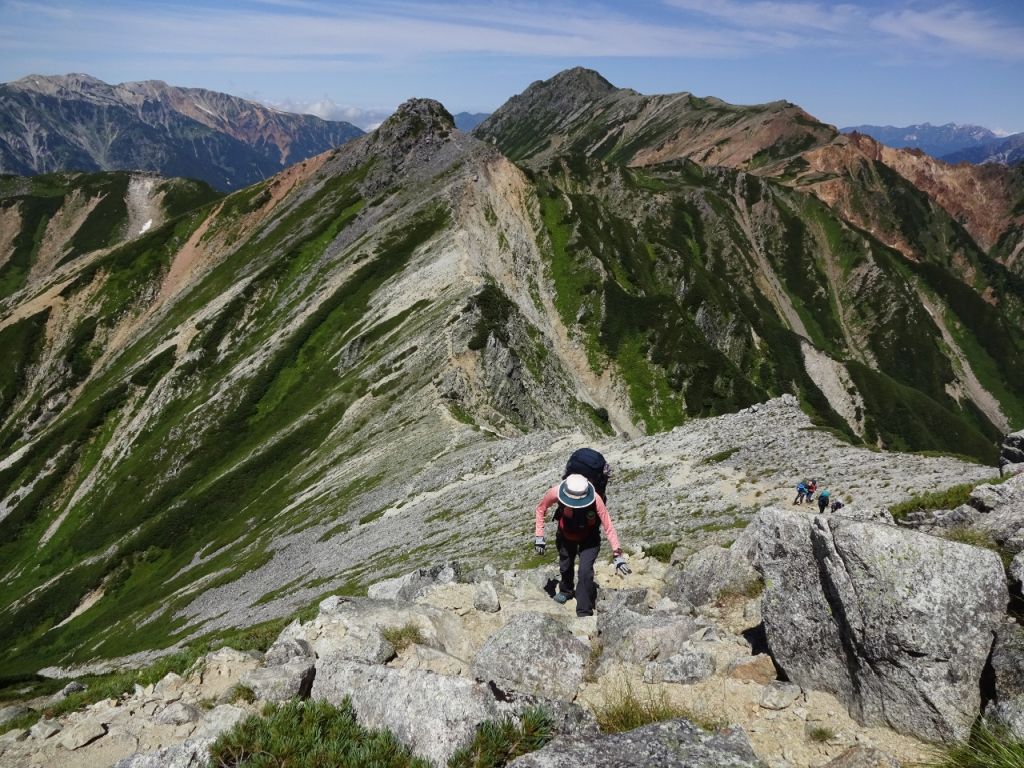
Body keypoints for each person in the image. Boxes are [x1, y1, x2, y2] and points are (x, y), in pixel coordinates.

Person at [534, 473, 630, 617]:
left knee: (585, 571)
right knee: (565, 564)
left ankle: (584, 612)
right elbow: (541, 509)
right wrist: (539, 536)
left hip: (589, 537)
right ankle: (566, 591)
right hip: (566, 534)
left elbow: (608, 525)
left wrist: (617, 554)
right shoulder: (555, 492)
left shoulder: (596, 499)